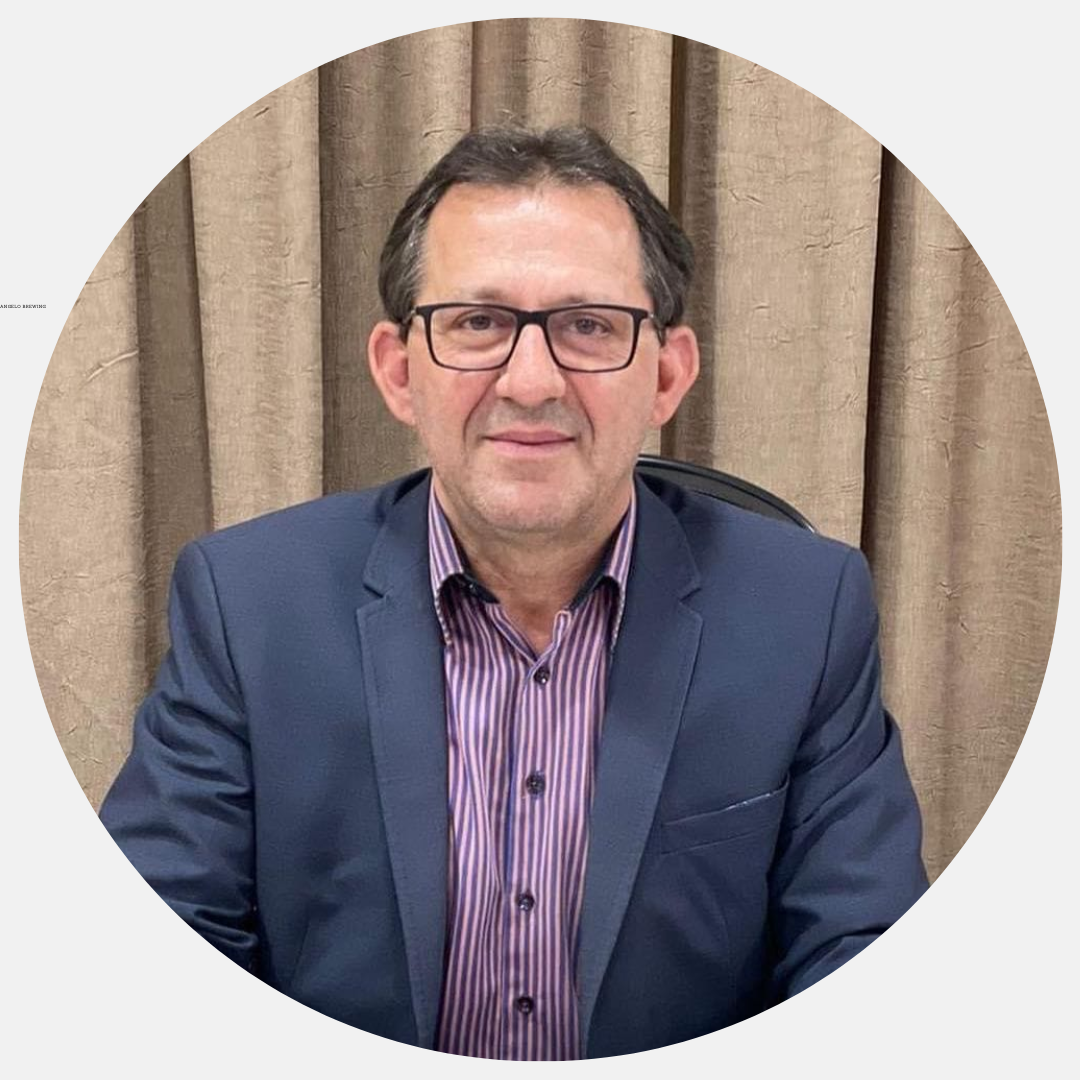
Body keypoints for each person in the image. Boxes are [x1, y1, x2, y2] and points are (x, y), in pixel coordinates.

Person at [100, 126, 928, 1060]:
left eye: (589, 326)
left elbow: (860, 958)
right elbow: (161, 949)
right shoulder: (248, 606)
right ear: (398, 370)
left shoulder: (807, 613)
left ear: (667, 374)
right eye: (477, 323)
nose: (531, 382)